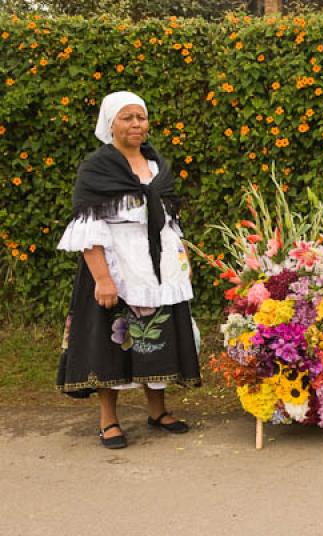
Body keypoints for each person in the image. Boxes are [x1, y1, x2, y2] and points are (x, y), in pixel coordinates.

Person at [57, 91, 201, 449]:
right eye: (127, 117)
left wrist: (182, 259)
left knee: (158, 337)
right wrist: (102, 278)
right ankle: (109, 420)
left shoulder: (157, 166)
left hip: (159, 270)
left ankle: (158, 410)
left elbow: (168, 220)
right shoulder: (97, 168)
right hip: (116, 268)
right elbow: (88, 228)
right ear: (110, 124)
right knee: (112, 340)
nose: (137, 124)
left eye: (141, 117)